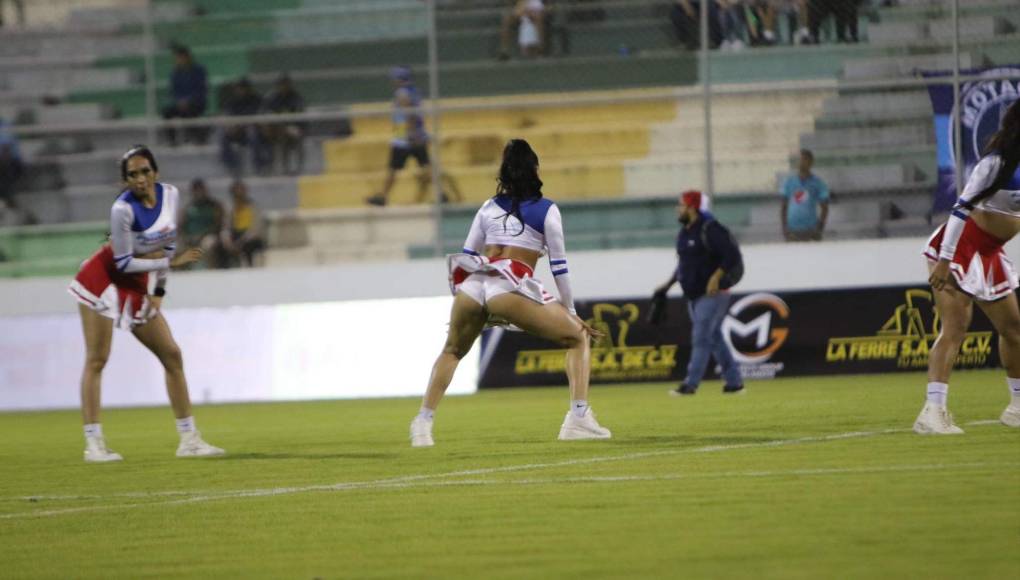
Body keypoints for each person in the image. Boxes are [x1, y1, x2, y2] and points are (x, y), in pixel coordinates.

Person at [409, 139, 611, 447]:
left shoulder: (487, 208)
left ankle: (422, 423)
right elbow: (559, 268)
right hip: (509, 285)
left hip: (474, 284)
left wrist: (472, 305)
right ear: (535, 169)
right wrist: (571, 312)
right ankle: (579, 418)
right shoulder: (547, 210)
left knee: (452, 350)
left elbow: (467, 255)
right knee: (578, 337)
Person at [67, 145, 225, 462]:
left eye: (145, 172)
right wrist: (171, 265)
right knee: (98, 359)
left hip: (138, 284)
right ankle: (94, 444)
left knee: (172, 354)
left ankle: (189, 439)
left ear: (156, 172)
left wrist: (159, 292)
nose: (140, 179)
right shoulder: (122, 209)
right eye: (132, 175)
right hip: (104, 279)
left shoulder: (170, 195)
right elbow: (124, 263)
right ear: (125, 180)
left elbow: (167, 247)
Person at [916, 99, 1020, 434]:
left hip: (990, 253)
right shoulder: (996, 163)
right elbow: (961, 209)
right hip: (959, 248)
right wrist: (945, 261)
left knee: (1014, 329)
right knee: (956, 328)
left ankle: (1017, 407)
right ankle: (932, 412)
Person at [653, 190, 744, 396]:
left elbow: (731, 255)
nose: (678, 209)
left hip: (713, 293)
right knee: (714, 337)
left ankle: (690, 384)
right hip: (693, 295)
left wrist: (715, 277)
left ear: (692, 208)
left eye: (681, 205)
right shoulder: (685, 232)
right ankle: (734, 382)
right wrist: (668, 285)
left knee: (701, 337)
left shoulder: (710, 229)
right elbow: (684, 265)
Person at [365, 67, 431, 207]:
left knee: (394, 168)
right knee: (425, 165)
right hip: (415, 135)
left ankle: (383, 196)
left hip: (405, 138)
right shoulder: (414, 92)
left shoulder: (402, 93)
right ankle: (440, 193)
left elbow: (409, 114)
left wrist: (411, 133)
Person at [161, 45, 208, 146]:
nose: (179, 60)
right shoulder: (175, 73)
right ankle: (172, 140)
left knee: (188, 110)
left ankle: (198, 137)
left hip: (196, 102)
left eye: (181, 57)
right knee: (167, 112)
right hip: (179, 103)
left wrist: (188, 100)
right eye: (177, 58)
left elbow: (201, 90)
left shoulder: (199, 71)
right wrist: (179, 101)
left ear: (187, 57)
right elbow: (173, 91)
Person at [219, 77, 266, 176]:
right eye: (239, 88)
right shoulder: (232, 101)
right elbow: (227, 116)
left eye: (244, 88)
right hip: (236, 131)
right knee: (223, 135)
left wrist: (243, 125)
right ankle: (232, 165)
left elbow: (258, 116)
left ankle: (259, 164)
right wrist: (232, 127)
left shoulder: (256, 99)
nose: (241, 90)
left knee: (252, 133)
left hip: (252, 130)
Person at [261, 74, 306, 175]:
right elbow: (265, 113)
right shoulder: (271, 97)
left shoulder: (296, 97)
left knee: (293, 136)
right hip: (275, 130)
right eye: (281, 84)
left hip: (292, 128)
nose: (284, 87)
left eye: (286, 84)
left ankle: (298, 168)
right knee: (274, 135)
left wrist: (291, 126)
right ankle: (268, 168)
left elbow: (299, 115)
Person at [780, 149, 829, 241]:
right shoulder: (789, 182)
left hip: (811, 229)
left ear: (811, 162)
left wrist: (819, 229)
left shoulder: (818, 183)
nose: (802, 162)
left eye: (804, 159)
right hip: (792, 230)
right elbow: (783, 206)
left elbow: (825, 208)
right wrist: (785, 229)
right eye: (800, 159)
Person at [178, 178, 225, 269]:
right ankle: (183, 274)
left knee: (208, 245)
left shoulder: (215, 205)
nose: (199, 193)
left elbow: (218, 224)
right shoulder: (188, 207)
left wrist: (201, 235)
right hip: (190, 237)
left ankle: (212, 270)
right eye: (196, 190)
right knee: (176, 248)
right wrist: (185, 237)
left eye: (201, 190)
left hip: (208, 235)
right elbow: (181, 225)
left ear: (205, 190)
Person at [221, 179, 265, 268]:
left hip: (249, 237)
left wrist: (241, 241)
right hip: (235, 235)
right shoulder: (230, 208)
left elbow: (256, 228)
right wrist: (227, 240)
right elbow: (226, 226)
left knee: (249, 246)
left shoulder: (253, 206)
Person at [0, 117, 24, 205]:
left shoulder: (4, 126)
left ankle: (6, 196)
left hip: (12, 163)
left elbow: (5, 151)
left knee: (5, 166)